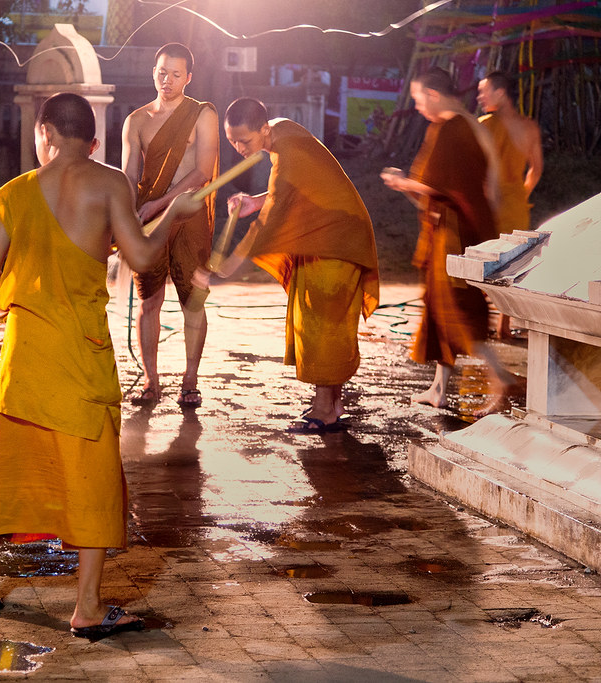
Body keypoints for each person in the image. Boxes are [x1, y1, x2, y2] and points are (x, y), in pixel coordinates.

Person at [0, 93, 202, 638]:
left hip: (27, 354)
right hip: (81, 354)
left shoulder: (20, 191)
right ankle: (88, 607)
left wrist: (17, 300)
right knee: (95, 475)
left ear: (44, 132)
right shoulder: (109, 183)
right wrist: (175, 213)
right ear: (92, 140)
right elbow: (143, 258)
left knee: (8, 467)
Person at [208, 98, 380, 432]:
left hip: (336, 240)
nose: (240, 147)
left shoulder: (287, 154)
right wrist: (256, 200)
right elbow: (287, 192)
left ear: (263, 129)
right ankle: (331, 402)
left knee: (320, 325)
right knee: (324, 322)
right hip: (329, 235)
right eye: (233, 140)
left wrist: (229, 268)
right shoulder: (283, 128)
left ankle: (325, 408)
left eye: (245, 140)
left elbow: (271, 220)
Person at [382, 67, 514, 412]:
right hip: (453, 230)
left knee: (459, 314)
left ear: (434, 95)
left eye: (418, 98)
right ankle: (439, 389)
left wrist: (403, 182)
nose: (417, 106)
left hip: (454, 237)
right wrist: (411, 187)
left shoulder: (454, 130)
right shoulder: (466, 125)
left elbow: (444, 189)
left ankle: (500, 378)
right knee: (439, 311)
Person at [121, 42, 220, 407]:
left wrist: (162, 204)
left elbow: (202, 171)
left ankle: (190, 380)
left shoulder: (202, 114)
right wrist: (127, 211)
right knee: (149, 301)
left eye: (176, 74)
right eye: (162, 72)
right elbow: (129, 173)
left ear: (189, 78)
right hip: (147, 217)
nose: (168, 80)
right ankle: (151, 381)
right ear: (153, 72)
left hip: (188, 214)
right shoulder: (137, 120)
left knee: (193, 301)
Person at [477, 71, 543, 338]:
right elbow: (536, 169)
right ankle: (504, 324)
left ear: (500, 93)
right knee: (511, 264)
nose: (480, 97)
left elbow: (476, 169)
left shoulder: (483, 125)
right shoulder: (529, 127)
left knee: (482, 261)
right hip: (515, 203)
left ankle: (481, 321)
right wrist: (521, 194)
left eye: (484, 91)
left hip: (488, 203)